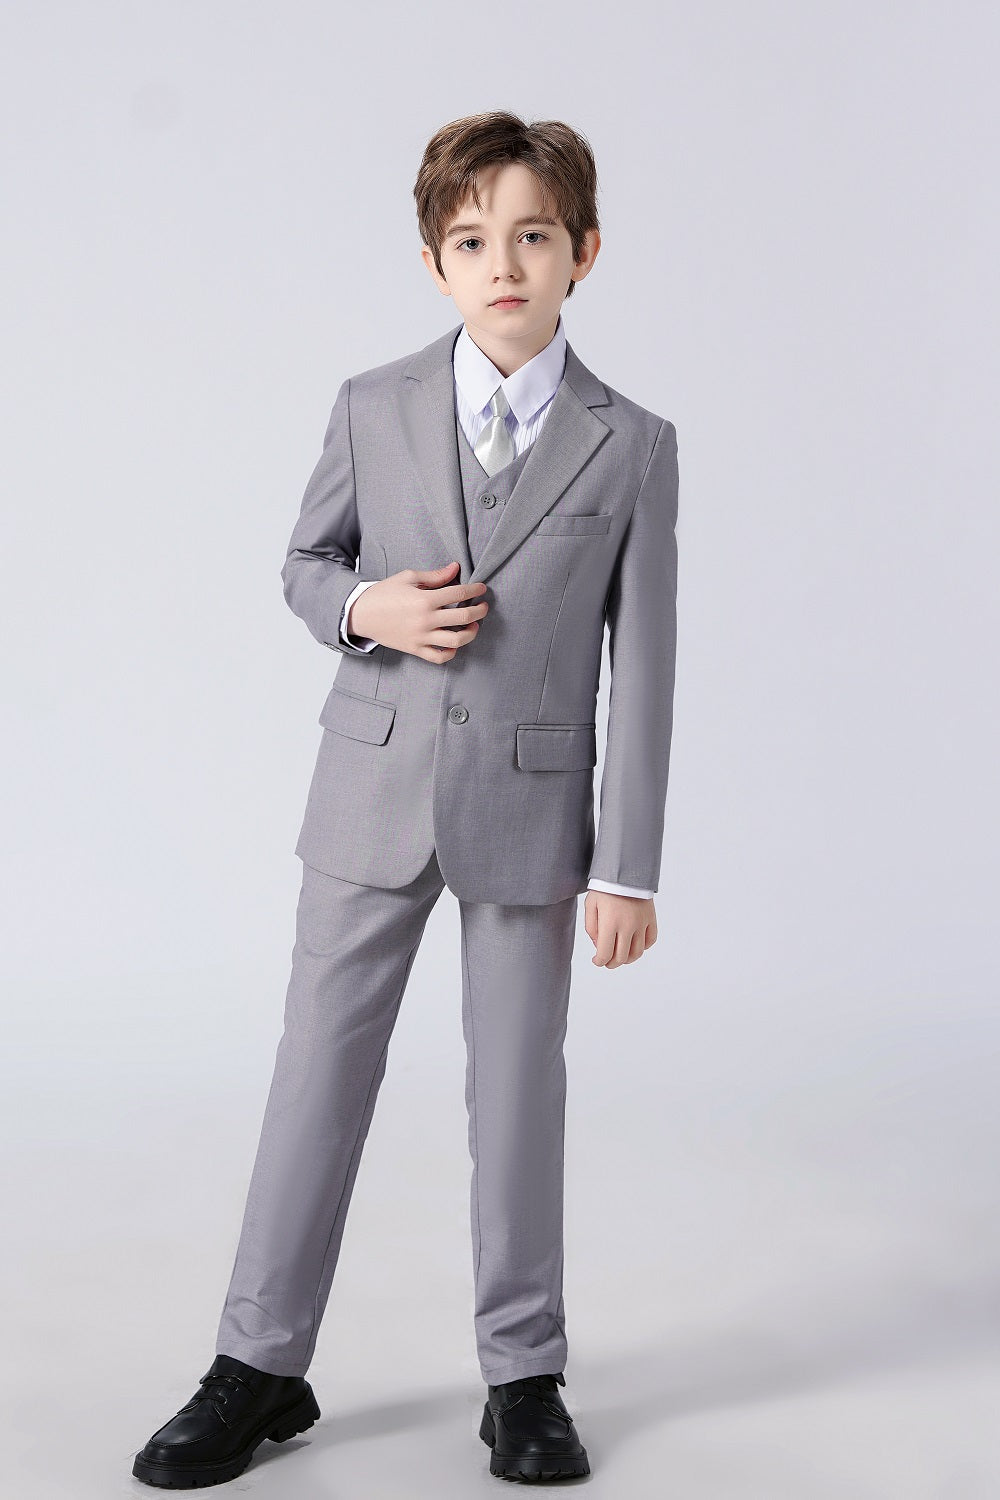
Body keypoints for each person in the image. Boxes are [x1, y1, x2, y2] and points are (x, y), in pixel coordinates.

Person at [132, 109, 679, 1488]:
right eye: (473, 241)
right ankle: (258, 1365)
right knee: (314, 1075)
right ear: (435, 263)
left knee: (518, 1093)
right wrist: (364, 607)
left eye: (534, 237)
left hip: (531, 815)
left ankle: (524, 1376)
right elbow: (305, 564)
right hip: (368, 793)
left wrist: (629, 867)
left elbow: (649, 663)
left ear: (585, 252)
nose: (505, 265)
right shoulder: (372, 405)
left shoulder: (631, 443)